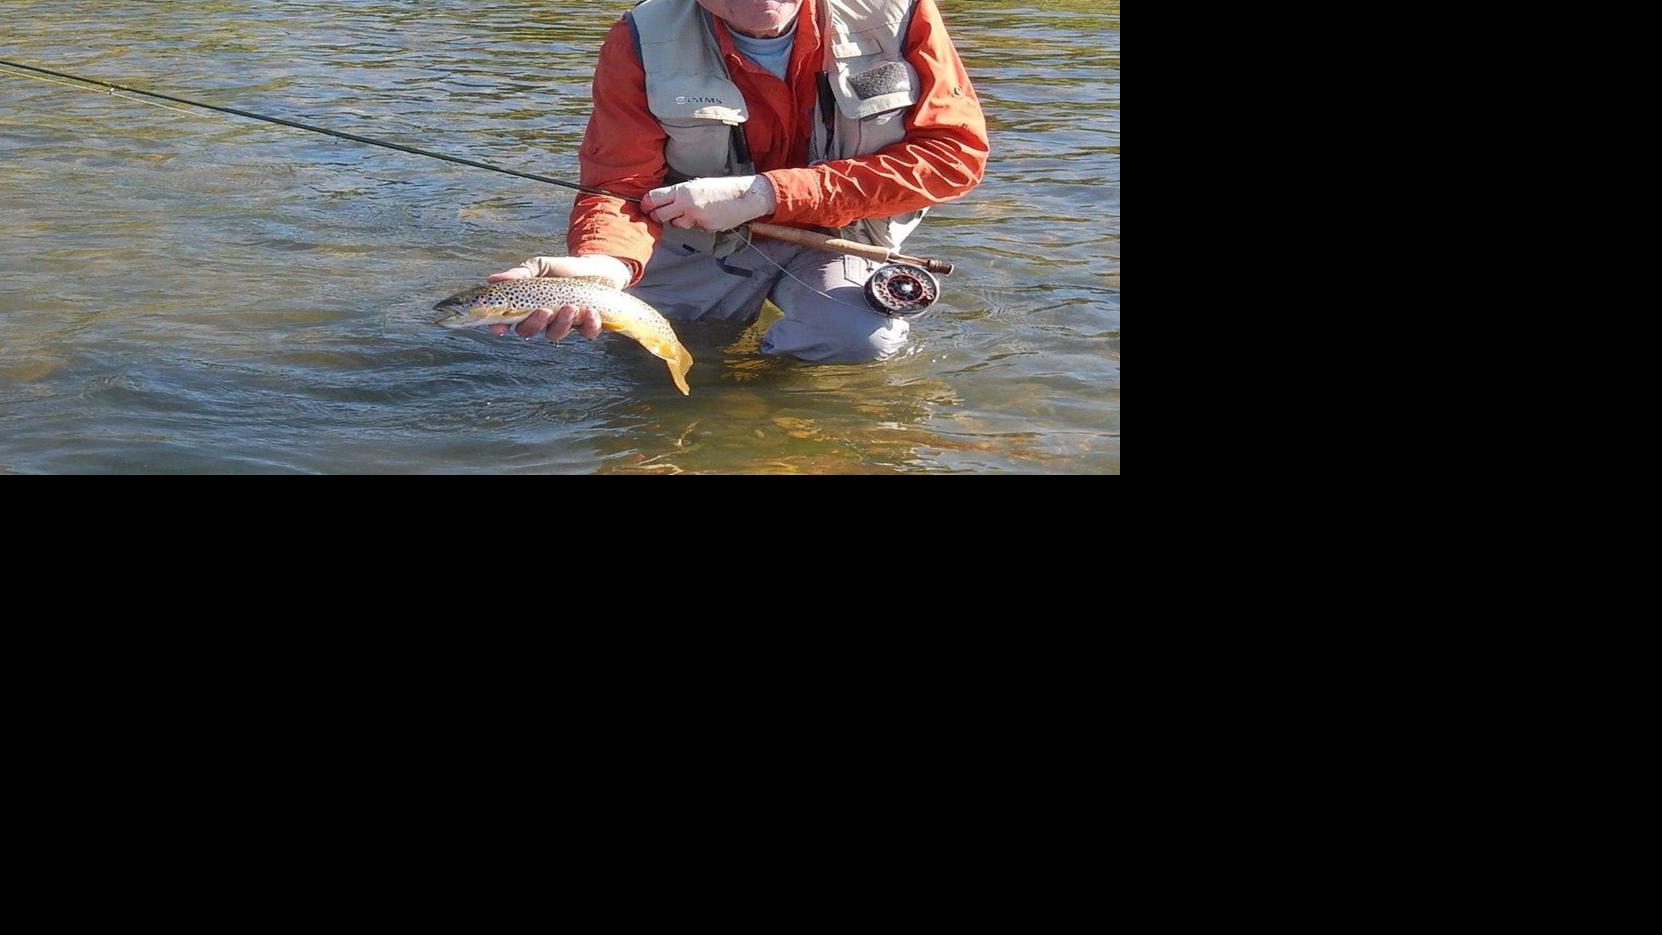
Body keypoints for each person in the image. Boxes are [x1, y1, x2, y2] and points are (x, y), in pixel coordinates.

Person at [485, 0, 987, 365]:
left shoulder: (898, 13)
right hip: (697, 239)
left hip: (844, 234)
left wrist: (764, 195)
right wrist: (606, 263)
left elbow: (952, 156)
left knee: (859, 341)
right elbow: (619, 182)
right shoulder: (641, 36)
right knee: (647, 348)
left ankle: (768, 423)